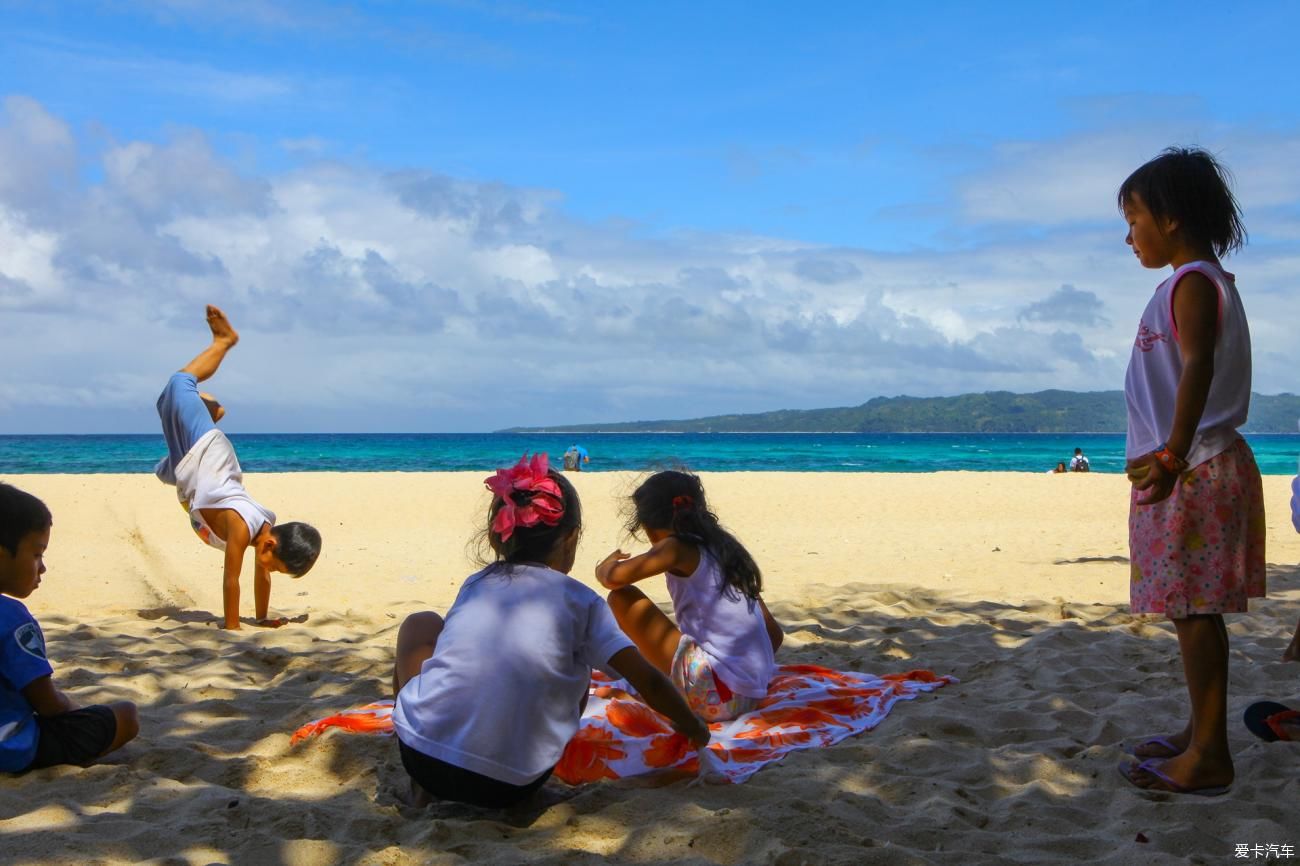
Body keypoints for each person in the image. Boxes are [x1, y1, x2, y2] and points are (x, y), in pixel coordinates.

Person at [391, 454, 709, 809]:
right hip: (511, 784)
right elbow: (647, 681)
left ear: (497, 538)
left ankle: (419, 788)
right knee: (580, 666)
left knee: (420, 622)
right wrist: (692, 726)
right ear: (571, 539)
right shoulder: (584, 602)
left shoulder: (477, 582)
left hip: (421, 758)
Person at [1114, 148, 1264, 796]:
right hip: (1188, 464)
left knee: (1197, 611)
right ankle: (1200, 732)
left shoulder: (1196, 281)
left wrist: (1172, 455)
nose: (1129, 235)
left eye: (1135, 218)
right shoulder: (1185, 283)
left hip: (1198, 465)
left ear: (1170, 217)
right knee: (1189, 611)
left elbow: (1198, 366)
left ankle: (1209, 753)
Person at [154, 305, 321, 630]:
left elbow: (261, 580)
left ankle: (209, 411)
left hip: (189, 473)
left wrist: (261, 618)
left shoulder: (266, 533)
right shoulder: (244, 527)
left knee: (163, 420)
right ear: (271, 545)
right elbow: (231, 578)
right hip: (206, 450)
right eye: (274, 567)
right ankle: (224, 341)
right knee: (178, 384)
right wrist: (232, 626)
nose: (268, 571)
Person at [596, 470, 782, 723]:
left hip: (718, 697)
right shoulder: (725, 548)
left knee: (622, 598)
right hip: (753, 691)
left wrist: (604, 566)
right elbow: (775, 634)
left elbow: (614, 579)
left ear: (648, 525)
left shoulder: (676, 547)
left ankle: (653, 695)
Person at [1, 482, 139, 773]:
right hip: (11, 747)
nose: (42, 568)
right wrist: (76, 711)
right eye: (37, 554)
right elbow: (48, 703)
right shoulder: (13, 619)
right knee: (126, 715)